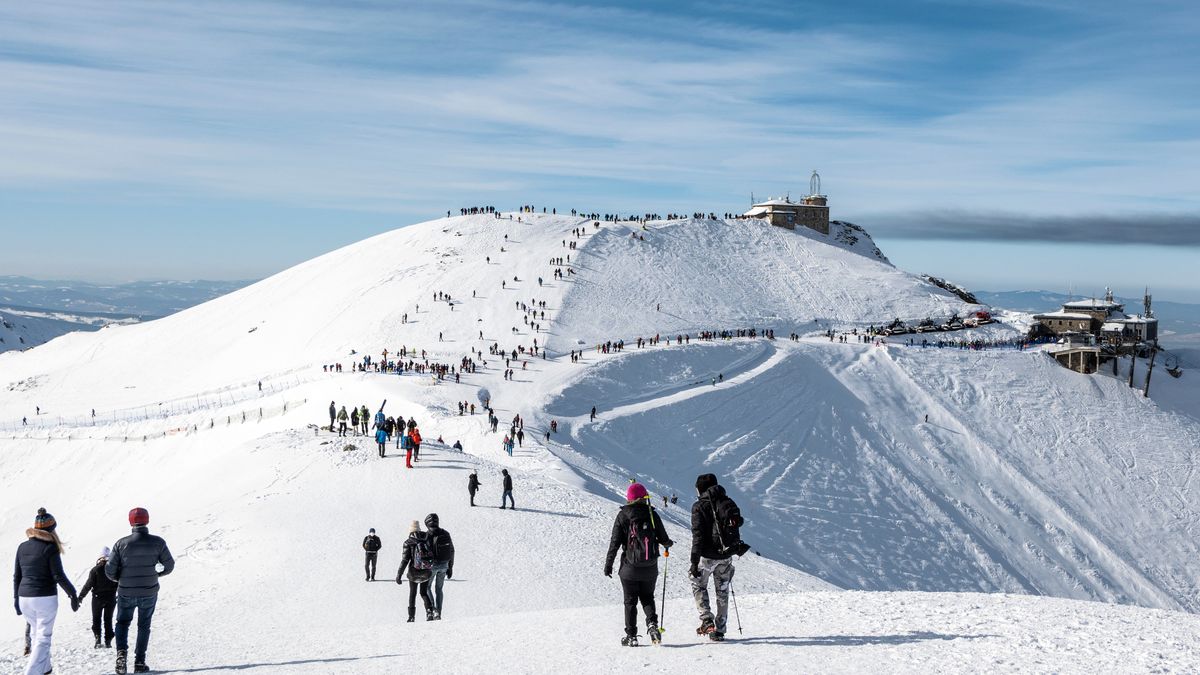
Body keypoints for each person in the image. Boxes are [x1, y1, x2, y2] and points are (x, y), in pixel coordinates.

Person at [107, 507, 175, 674]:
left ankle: (121, 654)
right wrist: (157, 574)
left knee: (122, 623)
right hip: (149, 591)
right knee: (144, 625)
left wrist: (119, 579)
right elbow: (170, 565)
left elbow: (109, 571)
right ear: (147, 521)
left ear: (131, 522)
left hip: (126, 592)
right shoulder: (158, 542)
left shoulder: (120, 543)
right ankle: (139, 662)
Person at [604, 483, 672, 646]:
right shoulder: (652, 514)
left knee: (630, 601)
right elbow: (664, 538)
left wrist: (609, 564)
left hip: (629, 568)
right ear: (644, 497)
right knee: (648, 597)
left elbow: (614, 542)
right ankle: (653, 625)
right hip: (650, 566)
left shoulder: (623, 516)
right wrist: (668, 544)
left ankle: (631, 636)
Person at [14, 508, 79, 675]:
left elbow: (17, 575)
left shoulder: (22, 547)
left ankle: (45, 668)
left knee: (36, 634)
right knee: (44, 638)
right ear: (51, 530)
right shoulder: (50, 548)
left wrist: (16, 599)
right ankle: (31, 672)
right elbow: (58, 575)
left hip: (24, 598)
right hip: (44, 598)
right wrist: (72, 594)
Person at [689, 474, 746, 642]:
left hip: (707, 557)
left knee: (697, 583)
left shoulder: (699, 506)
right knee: (722, 591)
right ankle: (720, 630)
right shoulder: (728, 503)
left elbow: (698, 536)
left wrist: (694, 561)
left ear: (700, 488)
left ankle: (707, 619)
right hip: (726, 554)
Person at [394, 521, 435, 622]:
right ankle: (429, 612)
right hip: (426, 571)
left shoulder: (408, 542)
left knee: (412, 594)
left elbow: (404, 560)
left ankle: (411, 617)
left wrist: (399, 574)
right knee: (424, 592)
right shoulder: (427, 539)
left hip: (413, 572)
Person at [79, 546, 118, 648]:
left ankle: (97, 638)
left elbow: (88, 585)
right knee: (108, 619)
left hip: (97, 598)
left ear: (100, 558)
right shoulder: (114, 569)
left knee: (96, 618)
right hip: (111, 598)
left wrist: (80, 597)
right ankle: (108, 640)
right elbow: (120, 584)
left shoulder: (95, 570)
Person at [424, 514, 455, 619]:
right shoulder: (445, 533)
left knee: (427, 587)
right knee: (439, 589)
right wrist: (450, 567)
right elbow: (452, 551)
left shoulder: (427, 535)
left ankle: (433, 610)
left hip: (432, 566)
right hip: (444, 564)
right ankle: (439, 613)